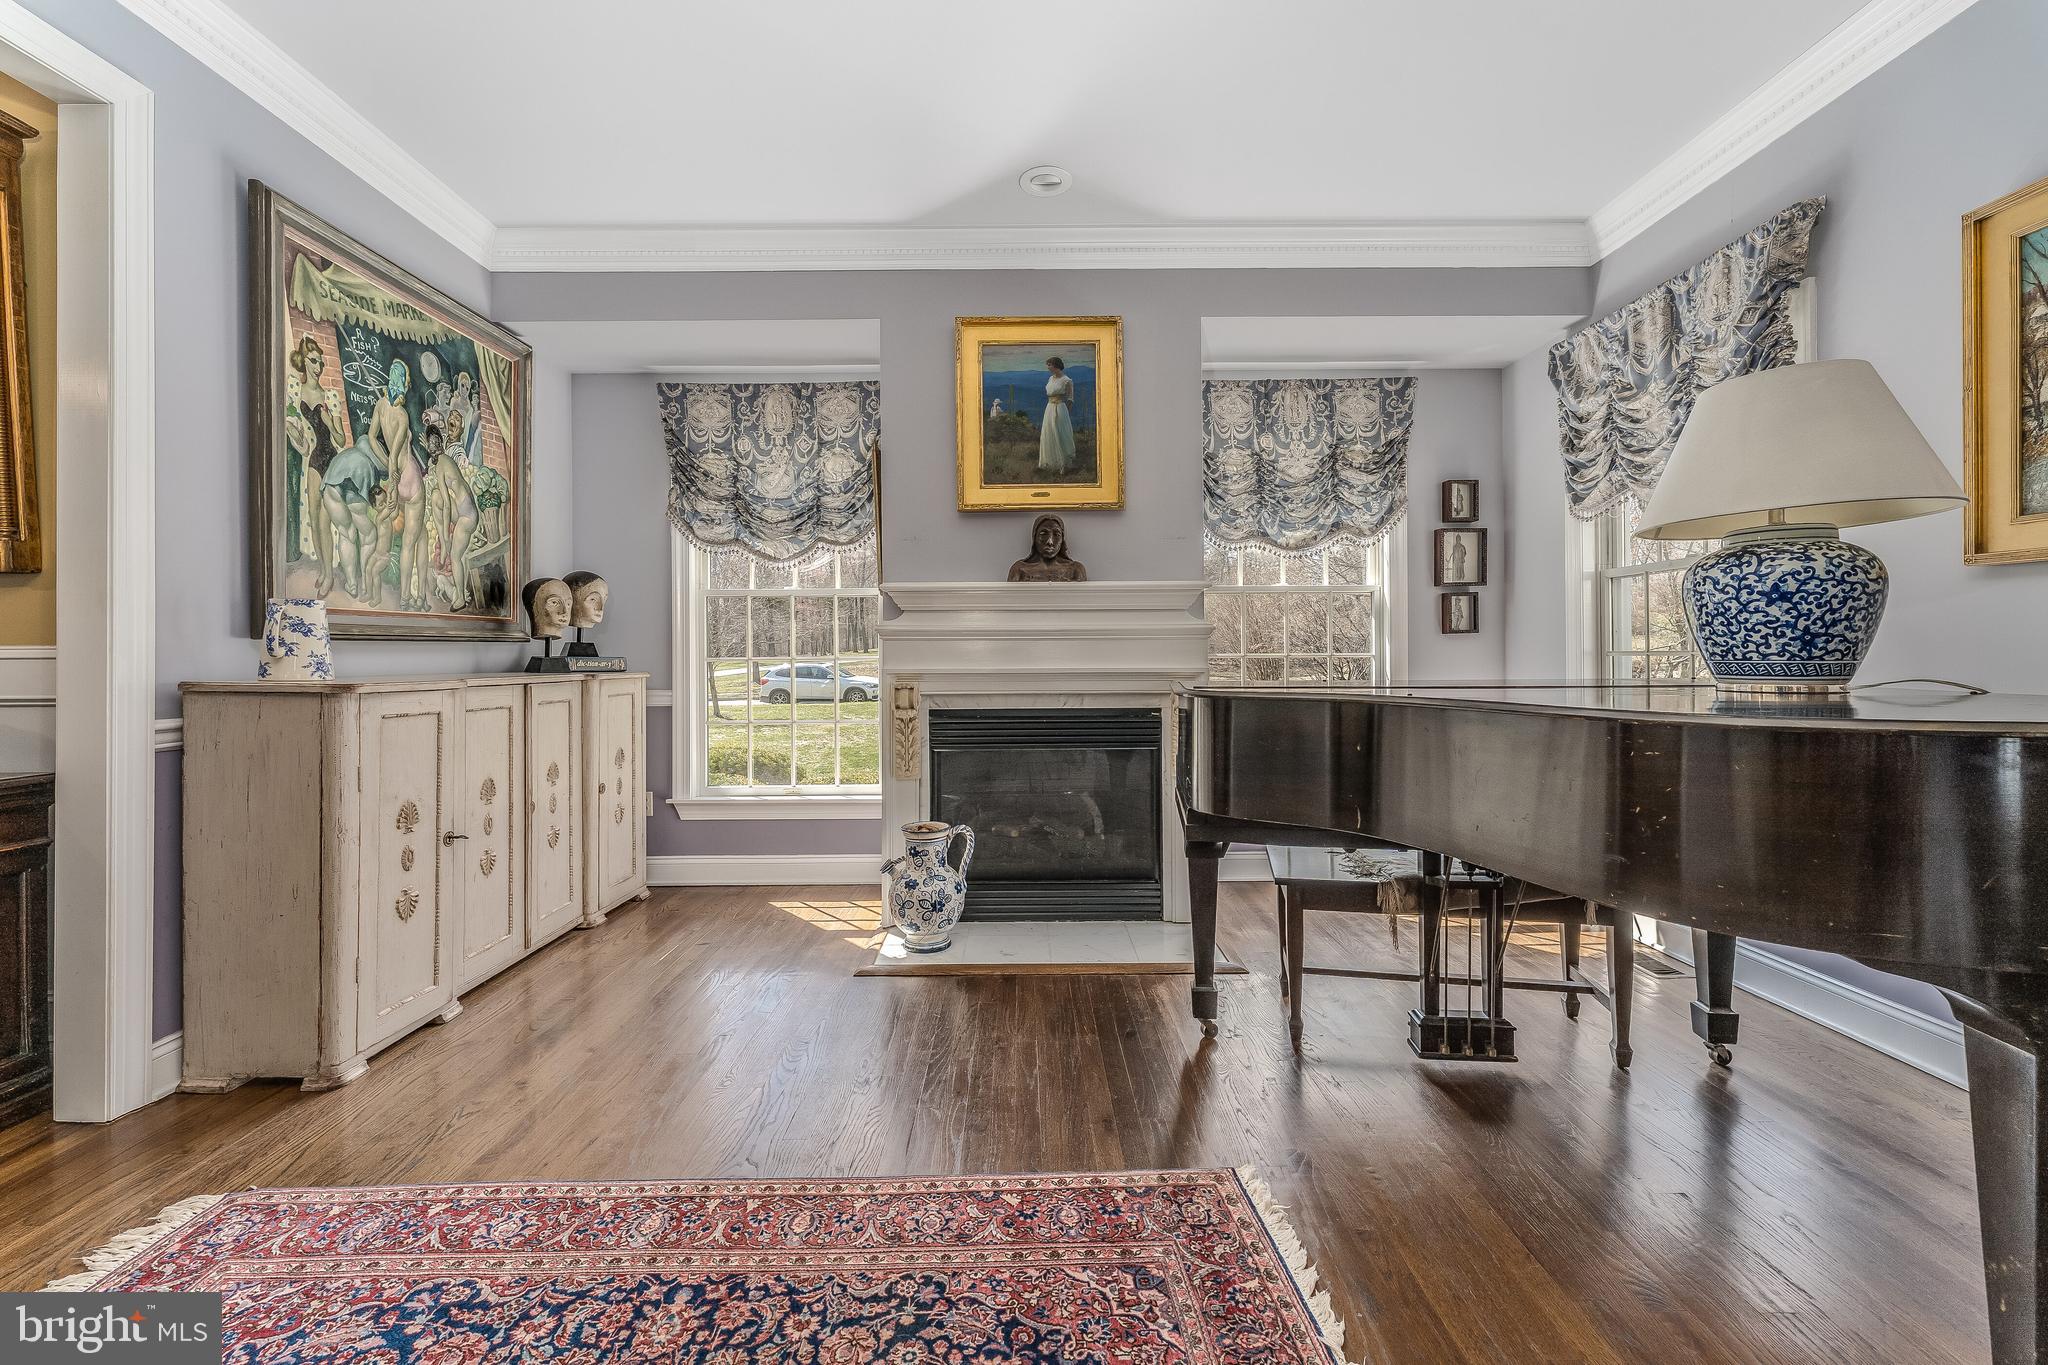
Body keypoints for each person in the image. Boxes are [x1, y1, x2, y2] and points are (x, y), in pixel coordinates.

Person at [1007, 513, 1087, 582]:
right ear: (1034, 537)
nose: (1050, 542)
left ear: (1062, 540)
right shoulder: (1019, 569)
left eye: (1056, 535)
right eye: (1043, 534)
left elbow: (1081, 598)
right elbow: (1010, 598)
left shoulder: (1075, 569)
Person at [1037, 356, 1075, 477]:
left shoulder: (1067, 380)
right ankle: (1051, 462)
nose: (1048, 367)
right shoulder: (1050, 379)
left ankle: (1063, 464)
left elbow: (1070, 398)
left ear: (1056, 365)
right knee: (1049, 433)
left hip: (1060, 408)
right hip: (1049, 408)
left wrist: (1066, 414)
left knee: (1060, 434)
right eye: (1048, 365)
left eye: (1049, 365)